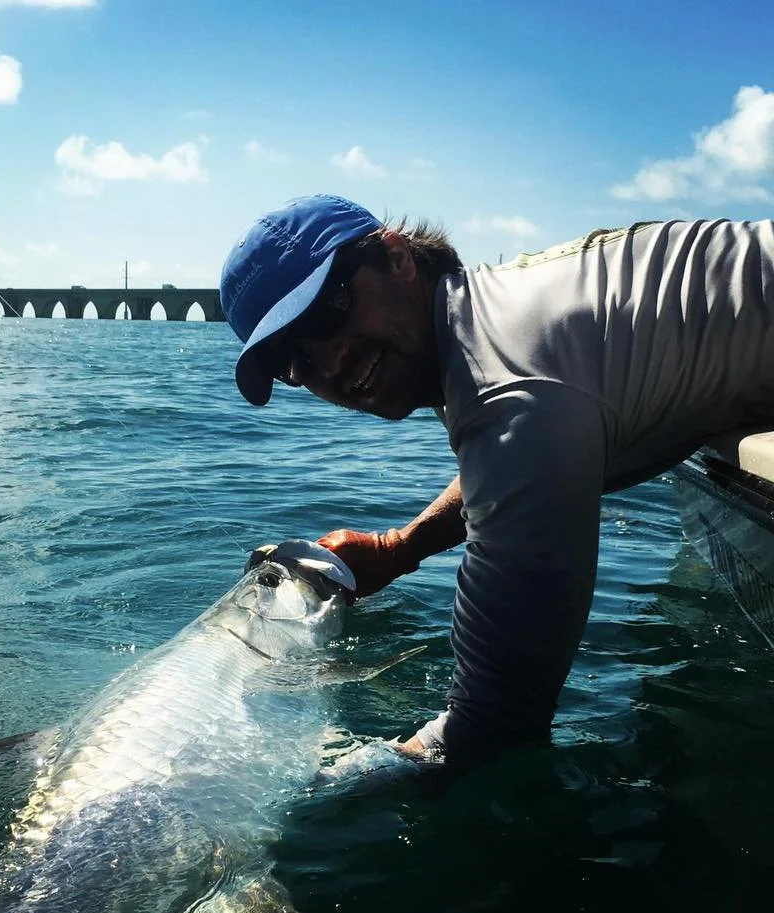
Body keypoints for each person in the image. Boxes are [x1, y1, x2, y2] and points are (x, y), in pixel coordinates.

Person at [218, 194, 774, 775]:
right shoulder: (489, 320)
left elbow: (495, 721)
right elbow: (512, 467)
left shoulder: (504, 385)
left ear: (397, 258)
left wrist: (313, 800)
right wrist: (400, 547)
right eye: (295, 364)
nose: (328, 366)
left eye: (327, 314)